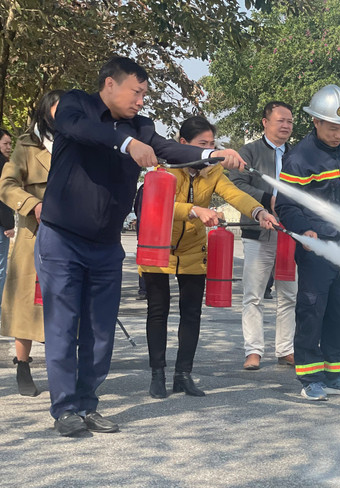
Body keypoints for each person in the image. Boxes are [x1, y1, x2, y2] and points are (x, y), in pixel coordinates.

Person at [36, 56, 248, 437]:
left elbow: (170, 149)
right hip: (63, 239)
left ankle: (87, 404)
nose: (140, 101)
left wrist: (211, 155)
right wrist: (126, 144)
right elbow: (81, 130)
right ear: (110, 84)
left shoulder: (142, 126)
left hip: (105, 245)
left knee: (100, 330)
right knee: (64, 326)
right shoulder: (75, 104)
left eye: (144, 95)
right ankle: (65, 408)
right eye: (136, 92)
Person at [140, 116, 277, 399]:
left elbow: (235, 194)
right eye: (202, 144)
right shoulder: (162, 169)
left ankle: (183, 375)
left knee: (191, 314)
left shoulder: (212, 171)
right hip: (158, 247)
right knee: (158, 312)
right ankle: (157, 375)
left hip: (193, 250)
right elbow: (159, 205)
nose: (209, 150)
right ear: (183, 144)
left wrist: (259, 212)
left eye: (212, 144)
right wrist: (194, 210)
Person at [275, 84, 340, 401]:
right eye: (332, 128)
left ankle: (336, 374)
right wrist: (305, 230)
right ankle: (311, 378)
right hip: (316, 248)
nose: (338, 134)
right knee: (312, 311)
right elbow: (285, 205)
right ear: (315, 121)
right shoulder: (299, 158)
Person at [0, 93, 64, 397]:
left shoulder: (78, 144)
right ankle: (23, 365)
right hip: (34, 235)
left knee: (63, 303)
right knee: (27, 303)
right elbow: (6, 185)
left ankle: (63, 369)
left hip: (70, 236)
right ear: (45, 111)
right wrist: (32, 204)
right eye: (59, 110)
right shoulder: (26, 146)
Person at [228, 101, 298, 371]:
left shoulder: (296, 155)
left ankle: (286, 349)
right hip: (257, 232)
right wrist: (268, 200)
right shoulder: (249, 152)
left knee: (289, 295)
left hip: (289, 234)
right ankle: (253, 351)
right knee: (254, 294)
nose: (286, 126)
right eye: (281, 120)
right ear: (265, 122)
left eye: (290, 121)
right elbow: (235, 184)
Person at [0, 128, 15, 308]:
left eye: (10, 144)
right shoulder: (4, 166)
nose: (9, 147)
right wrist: (9, 224)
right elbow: (4, 197)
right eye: (5, 143)